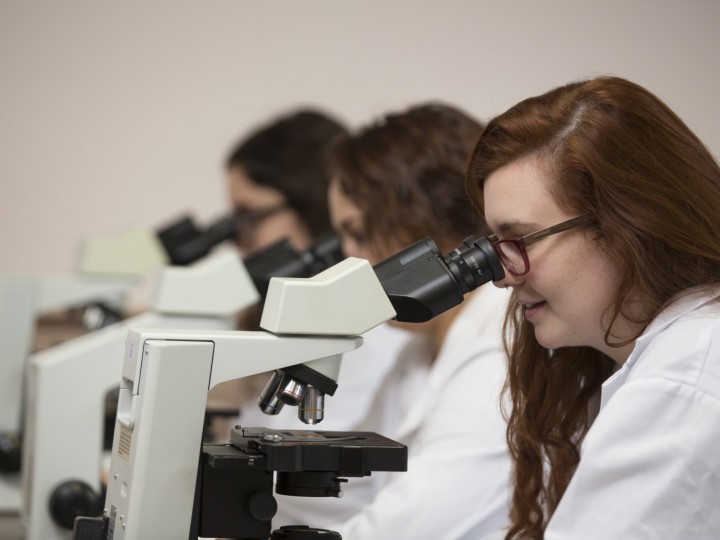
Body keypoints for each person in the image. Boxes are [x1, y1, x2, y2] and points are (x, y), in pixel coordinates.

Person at [466, 76, 720, 539]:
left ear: (628, 222)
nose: (502, 275)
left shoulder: (683, 381)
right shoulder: (683, 350)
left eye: (519, 240)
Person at [274, 103, 512, 538]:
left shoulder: (502, 347)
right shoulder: (417, 349)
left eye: (359, 233)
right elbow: (355, 500)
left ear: (425, 222)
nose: (347, 258)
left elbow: (418, 524)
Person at [218, 108, 410, 434]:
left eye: (249, 218)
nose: (237, 242)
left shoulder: (373, 331)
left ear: (313, 207)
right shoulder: (296, 317)